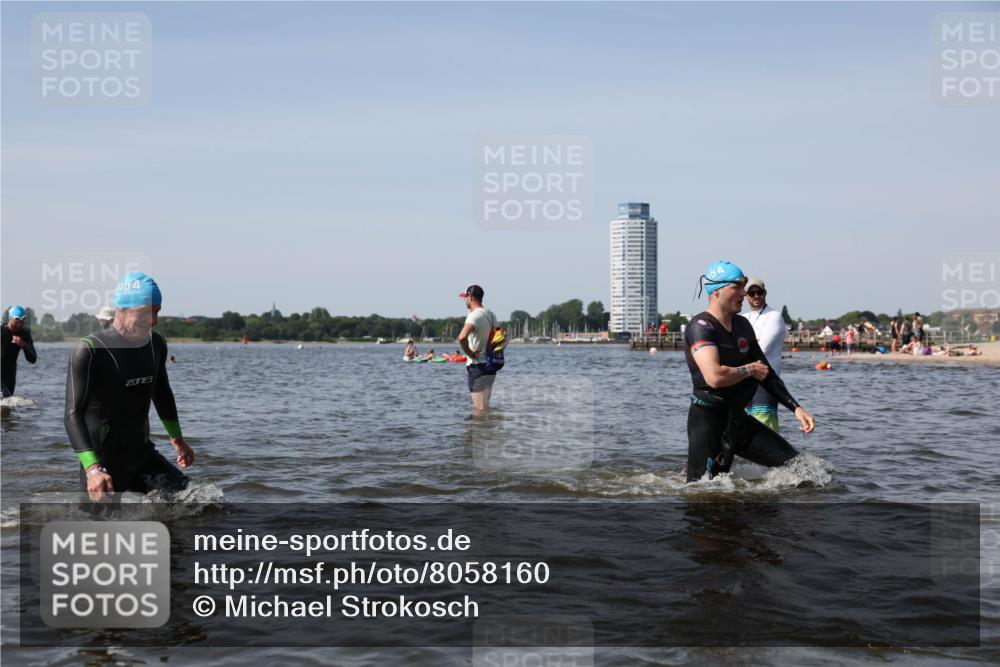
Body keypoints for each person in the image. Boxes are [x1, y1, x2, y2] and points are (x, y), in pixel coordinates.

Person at [64, 272, 194, 502]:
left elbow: (162, 393)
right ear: (122, 309)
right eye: (145, 312)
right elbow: (73, 415)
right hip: (103, 467)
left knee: (203, 504)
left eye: (157, 312)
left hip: (144, 458)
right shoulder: (90, 350)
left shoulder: (156, 344)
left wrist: (177, 441)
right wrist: (93, 470)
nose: (153, 320)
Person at [685, 261, 815, 482]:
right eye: (737, 286)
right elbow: (715, 377)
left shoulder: (743, 325)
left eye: (744, 285)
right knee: (702, 492)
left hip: (738, 420)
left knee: (804, 470)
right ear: (716, 291)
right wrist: (749, 369)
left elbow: (766, 372)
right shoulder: (701, 327)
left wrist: (795, 407)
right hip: (708, 423)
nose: (743, 292)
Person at [740, 278, 786, 431]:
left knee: (765, 425)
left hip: (766, 378)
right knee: (745, 424)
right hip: (745, 379)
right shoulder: (743, 318)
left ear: (765, 293)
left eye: (759, 292)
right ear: (746, 295)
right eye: (751, 293)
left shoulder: (774, 316)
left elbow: (763, 348)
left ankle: (774, 454)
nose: (756, 296)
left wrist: (744, 345)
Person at [457, 284, 498, 413]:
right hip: (491, 366)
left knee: (479, 409)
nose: (464, 300)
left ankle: (479, 432)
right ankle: (487, 431)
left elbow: (462, 337)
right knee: (485, 406)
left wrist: (469, 353)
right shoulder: (491, 314)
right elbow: (501, 337)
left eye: (465, 297)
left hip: (477, 367)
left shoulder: (474, 316)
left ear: (471, 297)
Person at [2, 306, 38, 398]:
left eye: (22, 321)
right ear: (10, 319)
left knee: (7, 403)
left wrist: (23, 345)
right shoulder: (2, 331)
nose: (20, 324)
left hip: (10, 375)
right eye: (17, 321)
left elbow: (33, 359)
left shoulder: (24, 334)